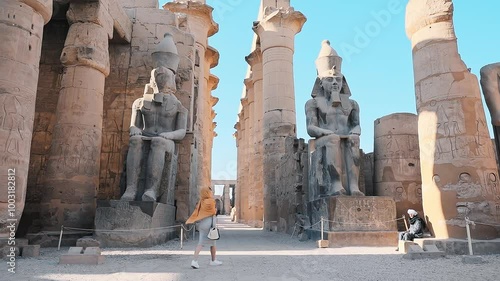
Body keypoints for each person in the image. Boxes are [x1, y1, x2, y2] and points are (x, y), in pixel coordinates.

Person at [121, 33, 188, 202]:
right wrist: (135, 131)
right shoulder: (140, 102)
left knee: (158, 142)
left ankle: (151, 189)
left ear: (172, 80)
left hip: (167, 141)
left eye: (164, 77)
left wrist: (169, 135)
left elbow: (181, 131)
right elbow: (133, 125)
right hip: (146, 135)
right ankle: (131, 188)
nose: (160, 80)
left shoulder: (179, 106)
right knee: (135, 141)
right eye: (157, 76)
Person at [305, 40, 364, 197]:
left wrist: (354, 132)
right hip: (324, 139)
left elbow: (356, 125)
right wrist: (325, 132)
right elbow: (311, 129)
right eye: (330, 80)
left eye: (338, 79)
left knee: (354, 140)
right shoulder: (313, 103)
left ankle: (353, 186)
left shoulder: (352, 103)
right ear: (321, 82)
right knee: (333, 139)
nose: (335, 83)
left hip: (343, 136)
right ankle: (336, 184)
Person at [186, 186, 222, 269]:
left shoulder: (201, 202)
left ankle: (211, 260)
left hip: (202, 224)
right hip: (209, 224)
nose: (211, 193)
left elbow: (198, 212)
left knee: (210, 243)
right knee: (205, 243)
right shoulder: (211, 201)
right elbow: (213, 212)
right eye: (210, 192)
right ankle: (196, 261)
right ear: (207, 193)